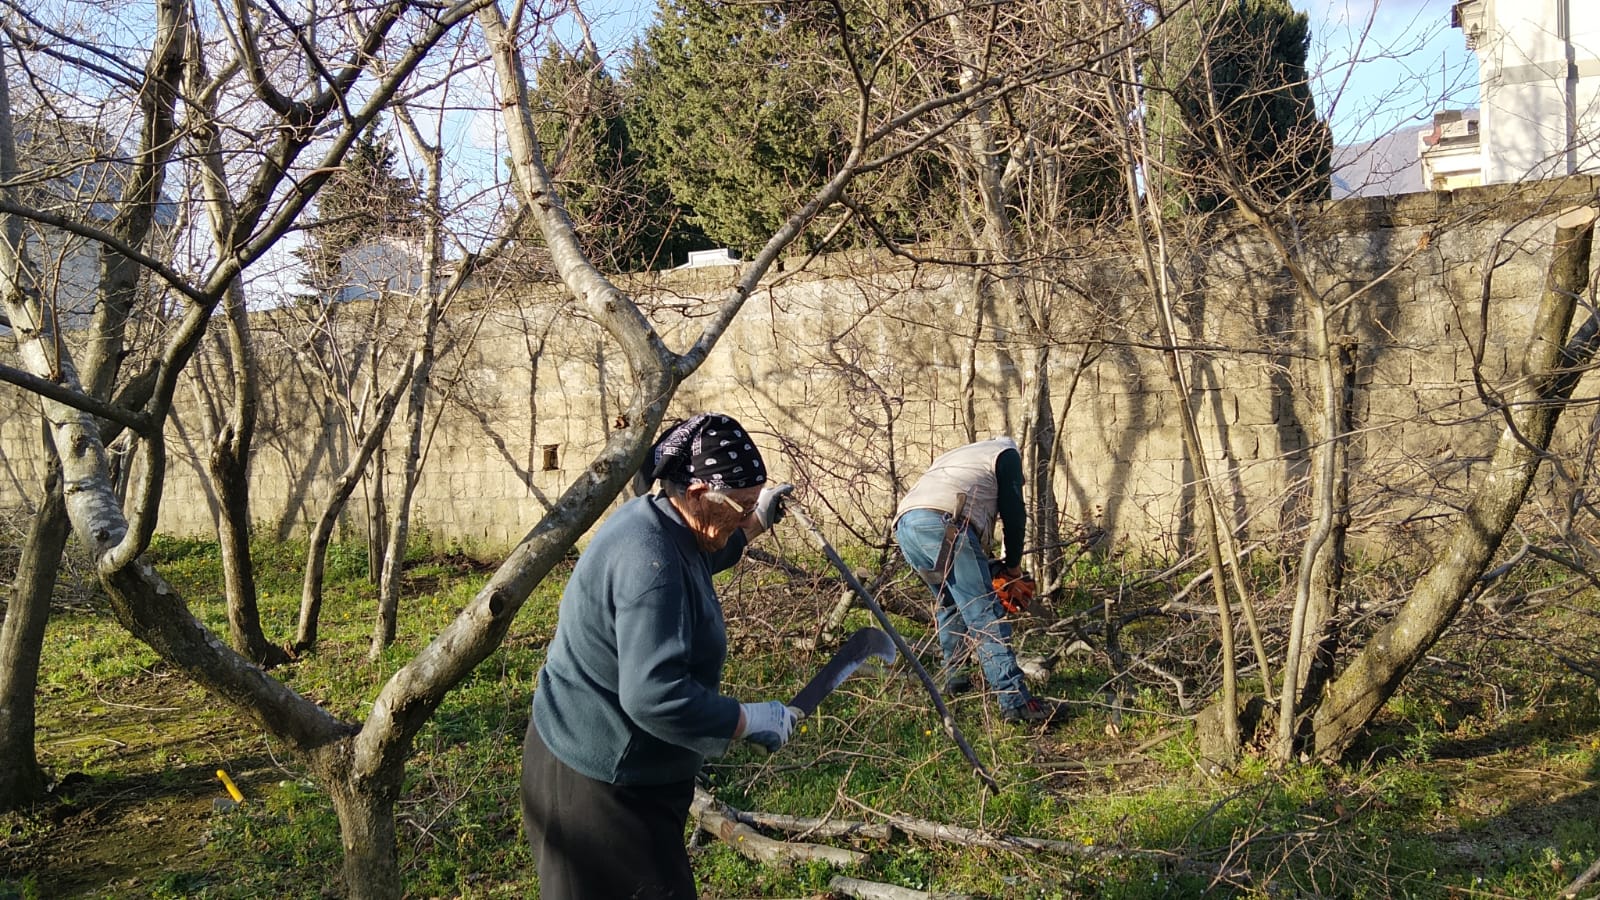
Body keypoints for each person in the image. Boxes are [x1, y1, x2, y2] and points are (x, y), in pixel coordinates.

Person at [520, 413, 798, 900]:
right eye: (742, 504)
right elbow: (653, 695)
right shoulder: (648, 560)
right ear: (694, 493)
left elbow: (707, 551)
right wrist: (744, 719)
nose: (743, 514)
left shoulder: (664, 520)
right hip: (595, 783)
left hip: (629, 767)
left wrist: (755, 521)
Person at [893, 436, 1056, 725]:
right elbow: (1015, 516)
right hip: (946, 526)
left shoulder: (962, 456)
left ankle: (955, 681)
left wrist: (989, 568)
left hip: (907, 527)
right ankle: (1016, 702)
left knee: (950, 605)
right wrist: (1014, 567)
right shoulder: (1007, 455)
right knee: (984, 615)